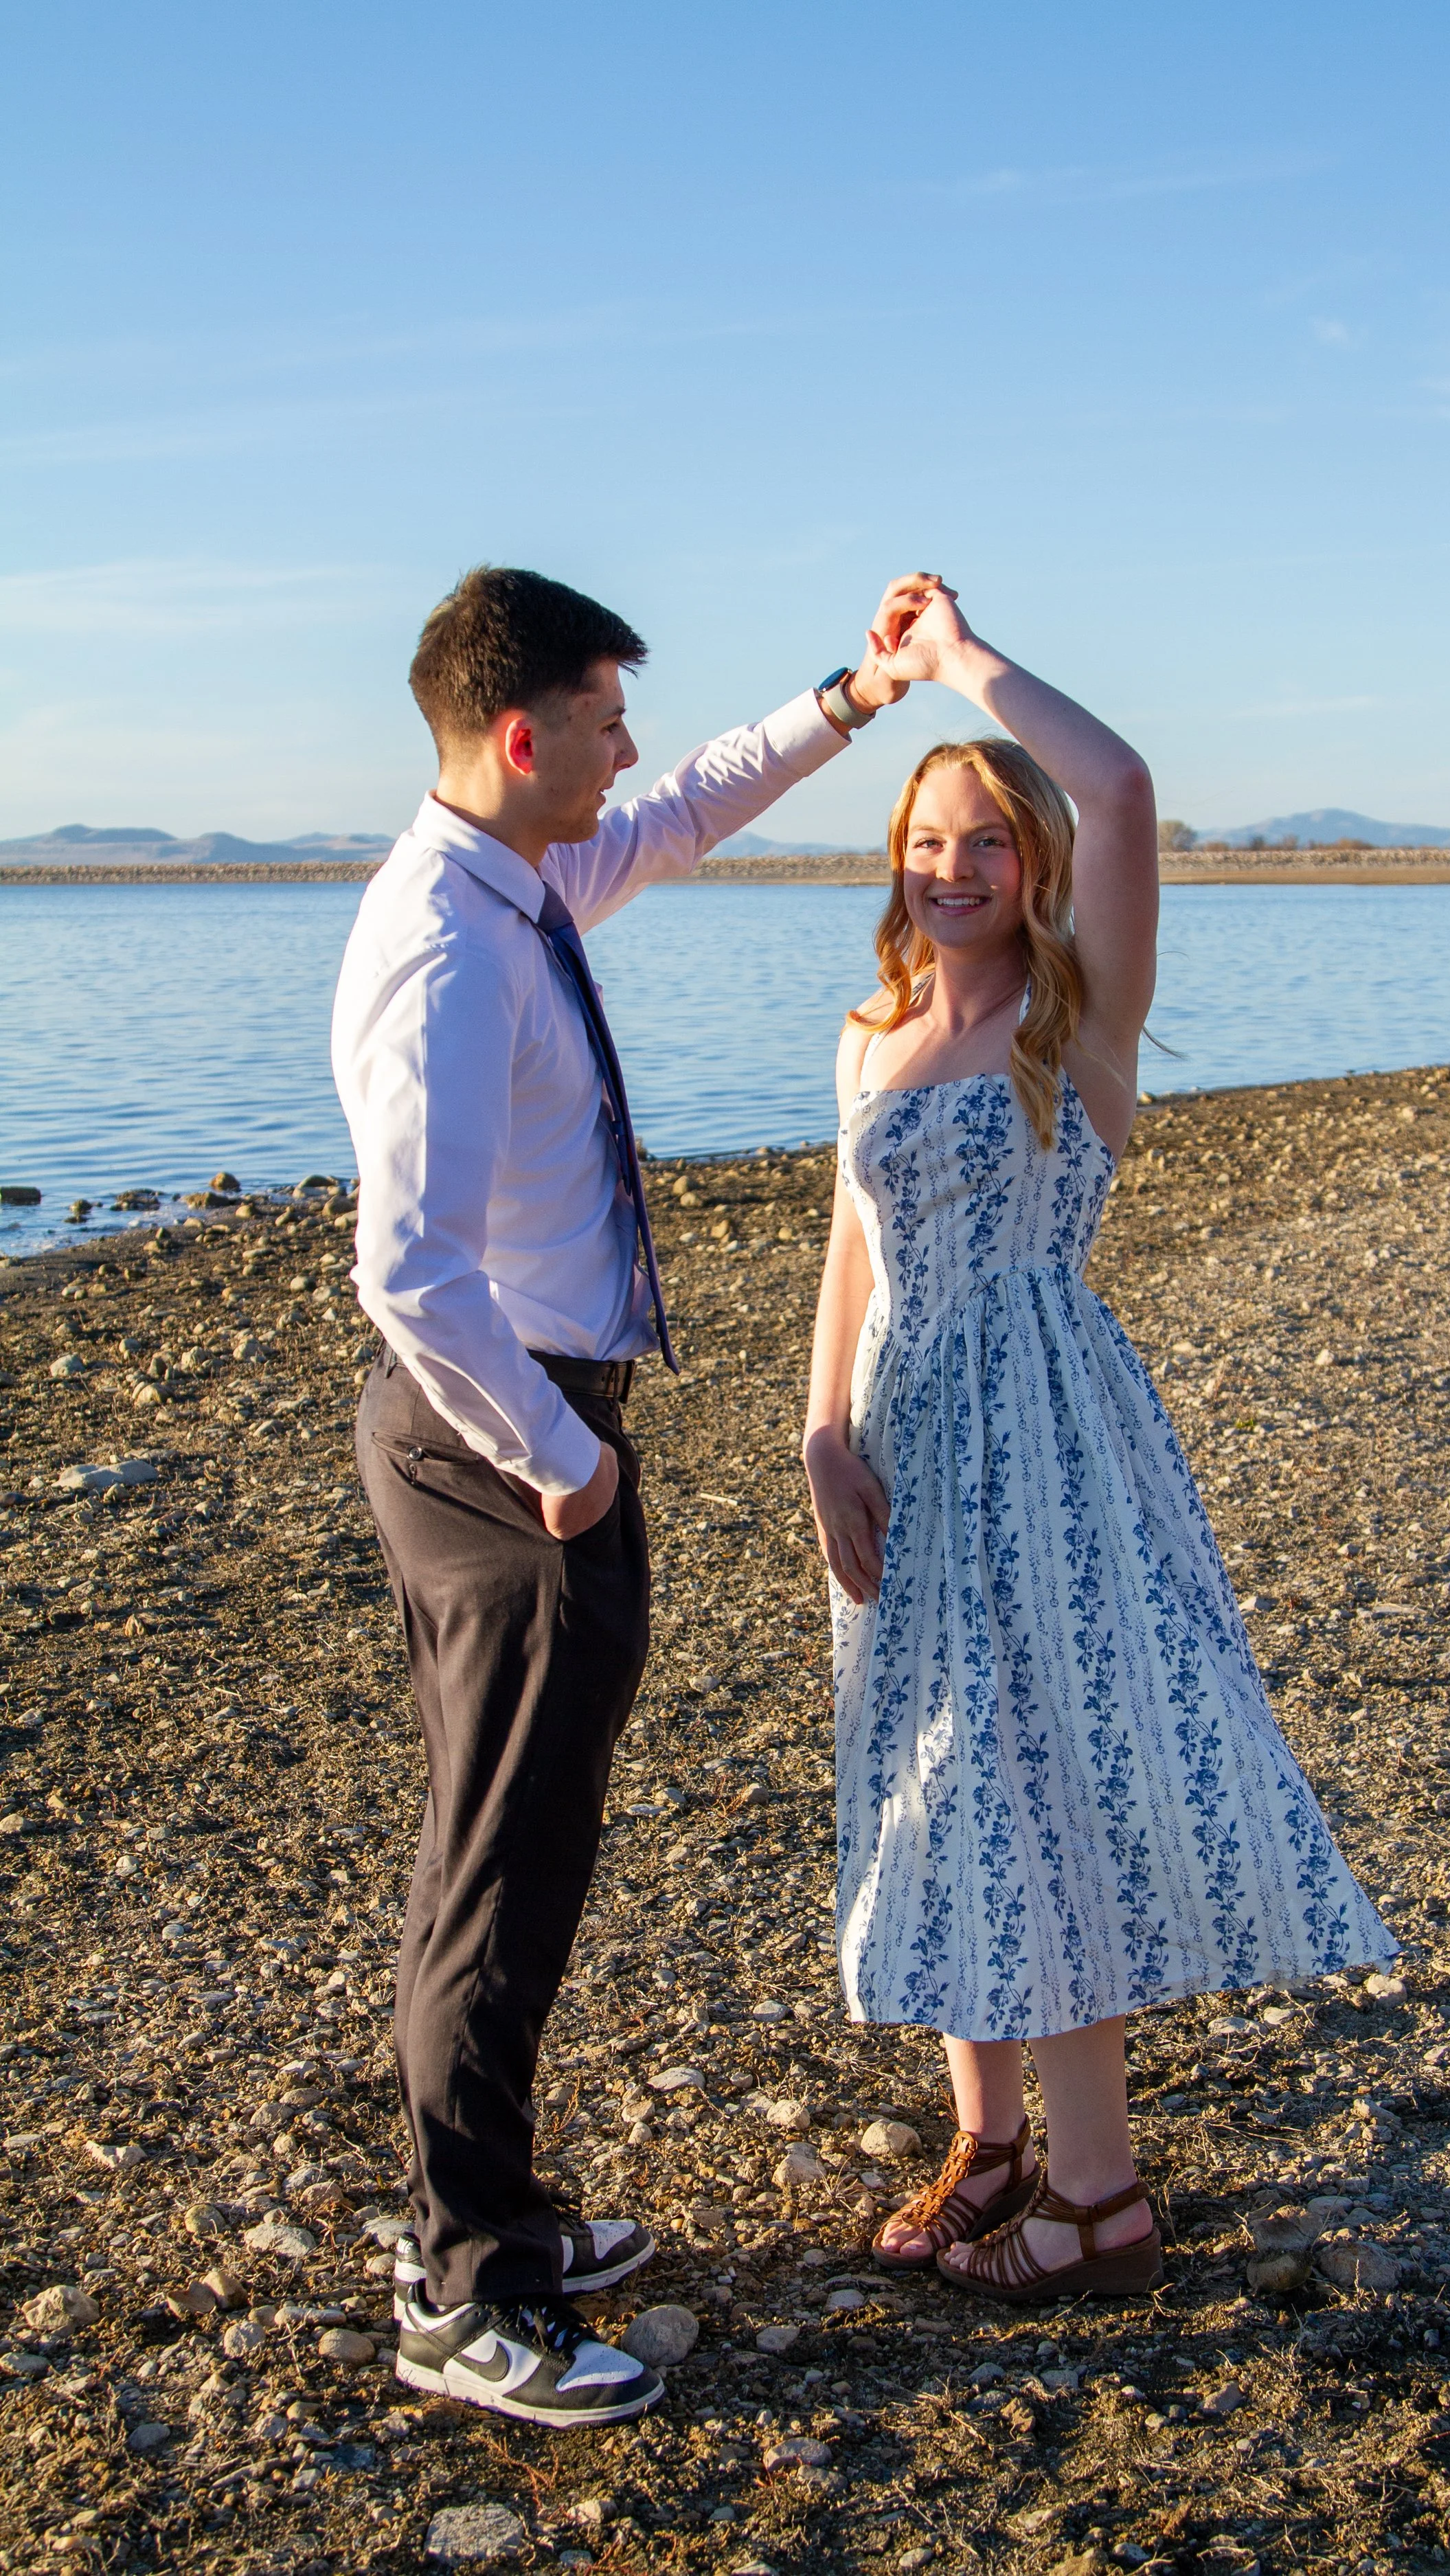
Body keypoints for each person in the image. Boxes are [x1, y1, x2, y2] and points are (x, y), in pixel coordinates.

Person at [332, 563, 926, 2424]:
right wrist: (569, 1464)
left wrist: (851, 695)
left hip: (523, 1429)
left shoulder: (519, 880)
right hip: (503, 1441)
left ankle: (481, 2199)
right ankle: (467, 2291)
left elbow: (680, 815)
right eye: (602, 715)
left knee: (505, 1843)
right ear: (519, 733)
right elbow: (405, 1270)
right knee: (503, 1871)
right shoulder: (445, 934)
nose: (630, 747)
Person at [801, 580, 1394, 2303]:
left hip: (1045, 1434)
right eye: (926, 836)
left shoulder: (1080, 1020)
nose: (952, 865)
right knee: (924, 1772)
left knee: (1034, 1774)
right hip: (901, 1438)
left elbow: (1125, 783)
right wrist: (821, 1429)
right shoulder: (871, 1032)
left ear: (1038, 864)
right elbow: (847, 1247)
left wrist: (951, 662)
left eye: (986, 839)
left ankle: (1099, 2193)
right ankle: (987, 2147)